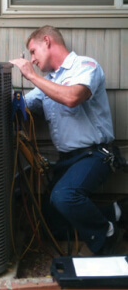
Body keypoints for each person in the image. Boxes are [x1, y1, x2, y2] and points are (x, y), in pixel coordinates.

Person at [10, 25, 127, 255]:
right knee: (50, 221)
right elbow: (22, 105)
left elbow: (73, 97)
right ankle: (116, 211)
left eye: (33, 51)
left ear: (47, 41)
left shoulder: (85, 66)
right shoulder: (50, 81)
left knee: (65, 197)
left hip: (96, 155)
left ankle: (108, 234)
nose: (32, 60)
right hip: (68, 160)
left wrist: (32, 77)